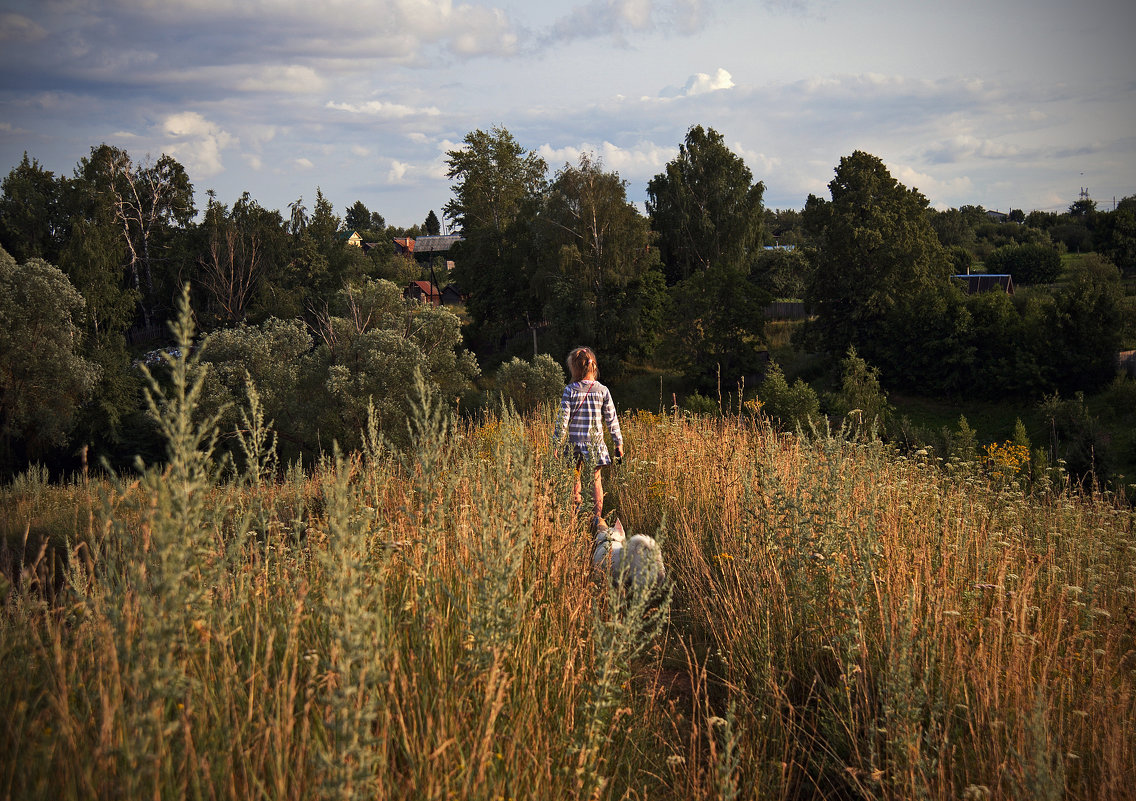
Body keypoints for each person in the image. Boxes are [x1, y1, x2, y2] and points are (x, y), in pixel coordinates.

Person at [553, 346, 624, 525]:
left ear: (575, 369)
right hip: (595, 444)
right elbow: (611, 419)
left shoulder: (570, 390)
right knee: (595, 480)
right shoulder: (603, 391)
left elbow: (562, 420)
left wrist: (556, 443)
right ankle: (597, 519)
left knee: (575, 477)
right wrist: (618, 443)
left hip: (574, 444)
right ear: (594, 367)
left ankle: (576, 514)